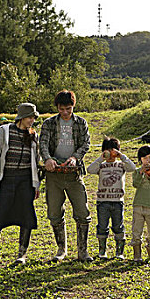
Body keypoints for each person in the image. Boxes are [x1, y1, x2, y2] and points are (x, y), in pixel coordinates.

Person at [0, 102, 40, 266]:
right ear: (21, 117)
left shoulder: (34, 135)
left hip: (26, 180)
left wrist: (36, 185)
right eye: (29, 117)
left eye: (33, 118)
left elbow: (36, 161)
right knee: (0, 215)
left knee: (26, 216)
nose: (32, 120)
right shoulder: (5, 131)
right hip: (7, 179)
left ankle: (22, 255)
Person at [40, 90, 93, 262]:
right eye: (62, 109)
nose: (65, 113)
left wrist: (74, 158)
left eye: (68, 109)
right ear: (57, 107)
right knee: (54, 212)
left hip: (73, 173)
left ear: (73, 107)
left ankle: (82, 251)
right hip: (54, 174)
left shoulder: (80, 123)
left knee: (82, 212)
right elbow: (43, 144)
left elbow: (86, 143)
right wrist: (47, 159)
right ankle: (61, 249)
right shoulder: (49, 123)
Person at [87, 137, 136, 259]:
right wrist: (100, 158)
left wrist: (121, 156)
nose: (110, 154)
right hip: (102, 202)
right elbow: (90, 169)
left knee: (118, 226)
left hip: (118, 201)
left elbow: (132, 167)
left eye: (112, 150)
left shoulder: (121, 165)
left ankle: (120, 252)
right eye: (107, 151)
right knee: (102, 226)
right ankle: (102, 251)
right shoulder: (101, 165)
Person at [130, 145, 150, 263]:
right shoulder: (137, 171)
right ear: (140, 160)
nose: (148, 160)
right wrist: (141, 173)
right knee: (136, 231)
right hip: (138, 205)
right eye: (145, 158)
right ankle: (137, 254)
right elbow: (135, 184)